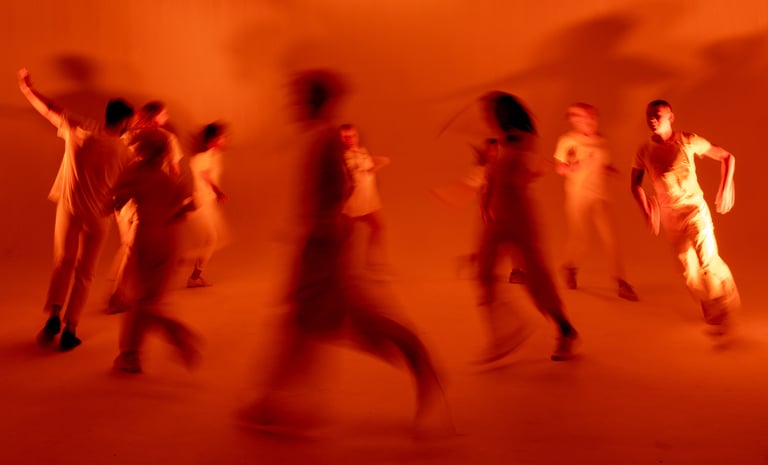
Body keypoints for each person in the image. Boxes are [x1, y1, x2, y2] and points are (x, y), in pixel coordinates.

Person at [238, 69, 452, 437]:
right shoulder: (320, 138)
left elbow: (338, 190)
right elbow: (337, 190)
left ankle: (423, 365)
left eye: (299, 97)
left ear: (314, 100)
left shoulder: (324, 139)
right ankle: (271, 404)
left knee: (347, 320)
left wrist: (321, 231)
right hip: (323, 245)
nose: (293, 104)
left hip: (324, 249)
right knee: (306, 323)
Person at [18, 68, 135, 351]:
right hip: (98, 217)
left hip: (70, 208)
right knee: (85, 272)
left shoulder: (81, 129)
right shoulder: (125, 152)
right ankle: (71, 328)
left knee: (63, 262)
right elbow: (127, 191)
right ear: (124, 122)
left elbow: (50, 109)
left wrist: (27, 90)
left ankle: (54, 315)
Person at [475, 91, 580, 363]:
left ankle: (565, 330)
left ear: (502, 113)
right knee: (483, 273)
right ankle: (504, 332)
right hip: (497, 213)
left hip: (519, 213)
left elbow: (520, 175)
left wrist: (497, 163)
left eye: (488, 111)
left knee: (536, 277)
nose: (485, 117)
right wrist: (485, 197)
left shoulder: (521, 140)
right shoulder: (498, 142)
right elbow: (491, 179)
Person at [631, 100, 739, 336]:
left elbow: (727, 157)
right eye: (649, 115)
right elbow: (635, 184)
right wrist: (646, 208)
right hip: (671, 218)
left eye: (657, 115)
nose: (652, 119)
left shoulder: (687, 140)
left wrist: (725, 185)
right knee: (688, 271)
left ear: (671, 117)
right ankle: (709, 304)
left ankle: (725, 305)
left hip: (694, 211)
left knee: (708, 260)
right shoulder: (644, 150)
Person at [112, 128, 200, 373]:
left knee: (142, 301)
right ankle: (131, 355)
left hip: (147, 239)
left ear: (141, 150)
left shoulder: (135, 174)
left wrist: (115, 201)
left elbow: (115, 200)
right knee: (149, 300)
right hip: (170, 241)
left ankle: (168, 333)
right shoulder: (169, 181)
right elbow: (185, 209)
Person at [106, 101, 187, 312]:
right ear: (154, 116)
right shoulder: (166, 138)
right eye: (164, 113)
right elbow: (175, 170)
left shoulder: (127, 137)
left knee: (130, 247)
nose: (167, 116)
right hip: (148, 199)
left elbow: (117, 165)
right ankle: (123, 296)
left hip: (126, 196)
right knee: (135, 248)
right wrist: (173, 195)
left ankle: (124, 292)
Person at [554, 103, 638, 300]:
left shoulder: (602, 140)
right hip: (578, 196)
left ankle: (621, 282)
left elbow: (604, 163)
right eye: (583, 117)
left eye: (592, 116)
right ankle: (569, 266)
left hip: (601, 196)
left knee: (611, 239)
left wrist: (612, 170)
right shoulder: (567, 140)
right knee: (581, 239)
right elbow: (559, 168)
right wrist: (571, 166)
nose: (589, 121)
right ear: (575, 121)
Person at [339, 123, 390, 271]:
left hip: (367, 199)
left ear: (357, 136)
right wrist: (377, 165)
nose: (350, 139)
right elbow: (360, 173)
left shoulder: (362, 152)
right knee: (346, 236)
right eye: (346, 137)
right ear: (341, 139)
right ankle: (342, 267)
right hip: (353, 202)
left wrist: (379, 161)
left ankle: (372, 261)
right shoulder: (343, 157)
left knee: (378, 227)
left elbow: (367, 163)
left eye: (353, 136)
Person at [186, 122, 229, 288]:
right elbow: (205, 176)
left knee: (220, 239)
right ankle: (191, 271)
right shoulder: (202, 157)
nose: (225, 140)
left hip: (208, 202)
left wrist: (216, 193)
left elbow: (208, 175)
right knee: (212, 239)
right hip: (201, 202)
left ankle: (193, 272)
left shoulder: (213, 155)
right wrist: (218, 191)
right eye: (222, 137)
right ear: (214, 139)